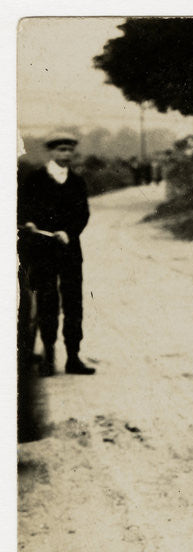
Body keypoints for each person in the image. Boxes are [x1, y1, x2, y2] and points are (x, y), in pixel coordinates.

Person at [17, 132, 95, 376]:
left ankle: (73, 357)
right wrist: (27, 223)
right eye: (61, 150)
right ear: (50, 152)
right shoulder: (34, 179)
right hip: (42, 250)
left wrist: (68, 232)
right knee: (47, 301)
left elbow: (83, 213)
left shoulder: (77, 182)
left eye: (69, 150)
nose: (66, 154)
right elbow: (21, 207)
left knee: (73, 303)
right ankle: (48, 357)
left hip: (69, 250)